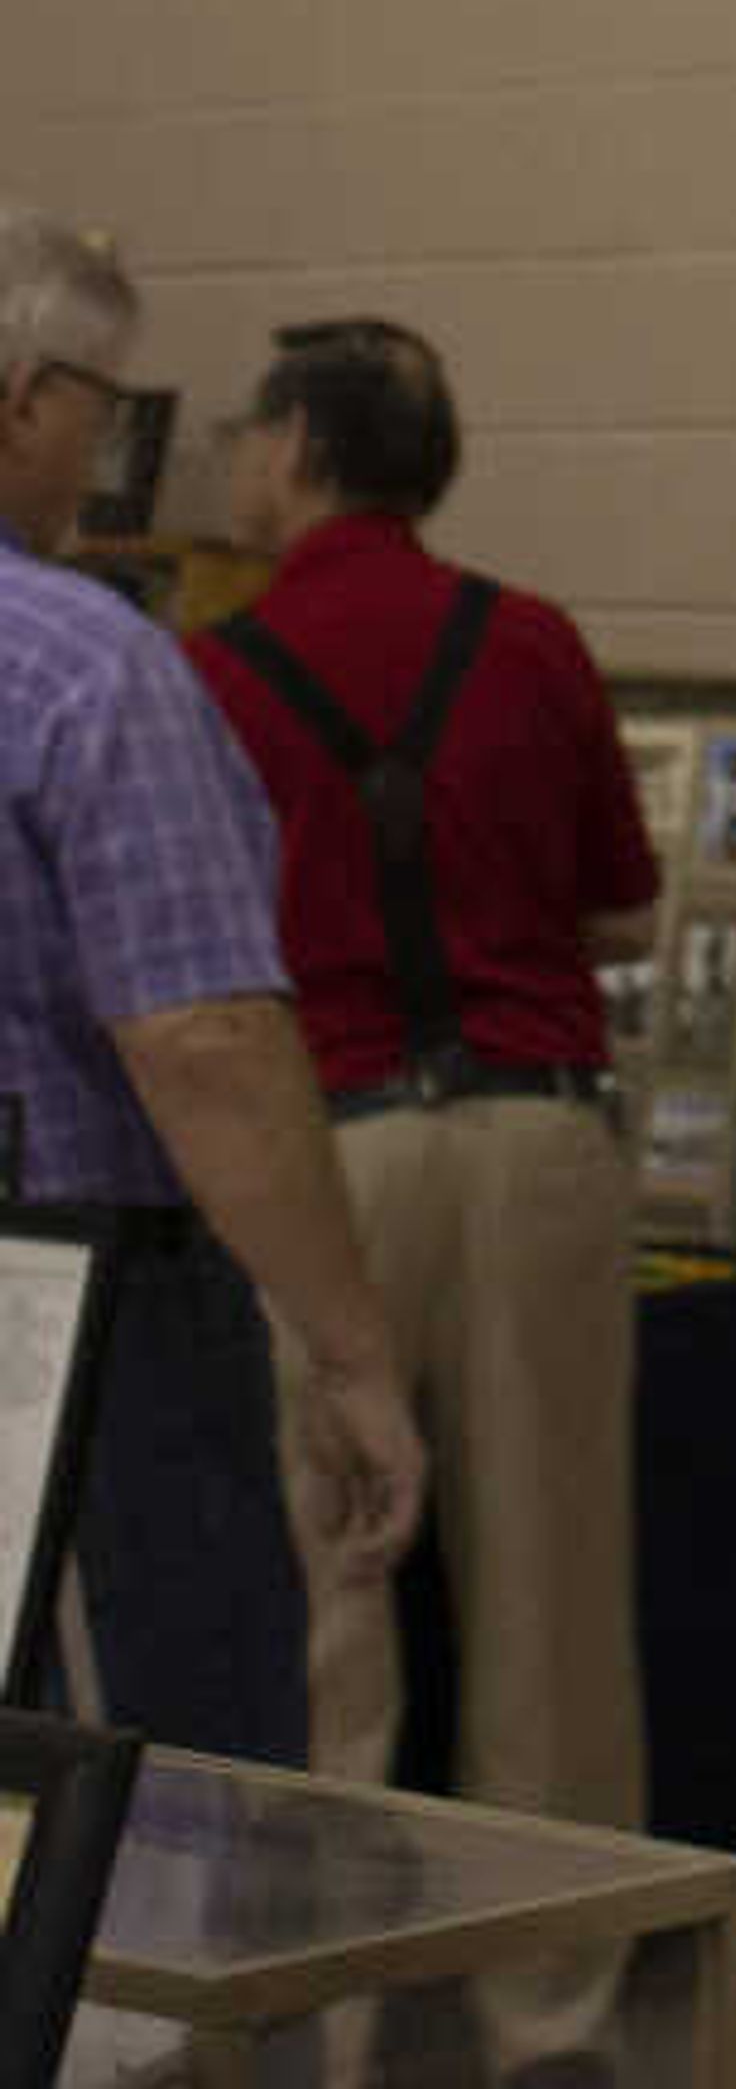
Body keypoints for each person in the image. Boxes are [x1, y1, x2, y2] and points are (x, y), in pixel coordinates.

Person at [198, 315, 660, 2041]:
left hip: (341, 1157)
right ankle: (555, 2016)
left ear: (305, 452)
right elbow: (626, 912)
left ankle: (329, 2026)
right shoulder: (530, 642)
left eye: (250, 432)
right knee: (555, 1604)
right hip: (540, 1141)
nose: (236, 461)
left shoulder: (221, 670)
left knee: (338, 1602)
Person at [0, 212, 426, 1756]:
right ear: (26, 398)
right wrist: (353, 1355)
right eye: (101, 413)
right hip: (70, 1311)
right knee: (160, 1804)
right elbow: (208, 1043)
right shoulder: (84, 666)